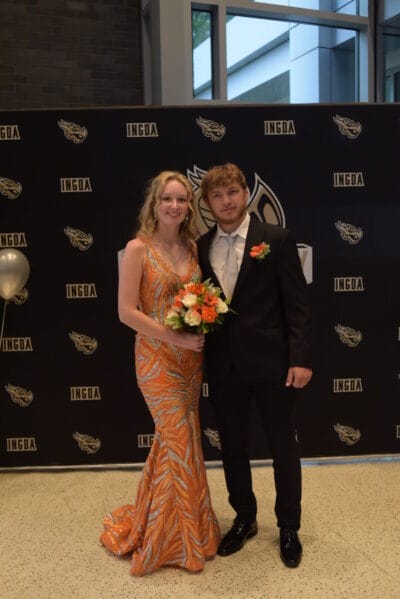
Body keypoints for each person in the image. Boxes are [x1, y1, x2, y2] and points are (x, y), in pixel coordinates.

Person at [100, 170, 220, 576]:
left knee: (175, 445)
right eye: (167, 199)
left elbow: (198, 299)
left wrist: (199, 322)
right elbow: (125, 312)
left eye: (182, 200)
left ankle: (173, 526)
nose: (175, 206)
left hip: (190, 361)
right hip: (155, 359)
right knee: (178, 439)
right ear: (154, 204)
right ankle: (179, 542)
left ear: (189, 207)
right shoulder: (137, 247)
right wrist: (176, 338)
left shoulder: (192, 246)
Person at [197, 163, 312, 568]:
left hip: (273, 364)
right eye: (217, 196)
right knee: (232, 447)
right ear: (207, 203)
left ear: (245, 193)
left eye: (232, 192)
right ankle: (244, 517)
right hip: (224, 365)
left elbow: (297, 305)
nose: (226, 201)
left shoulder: (276, 240)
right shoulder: (200, 245)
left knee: (283, 446)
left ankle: (288, 526)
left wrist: (299, 358)